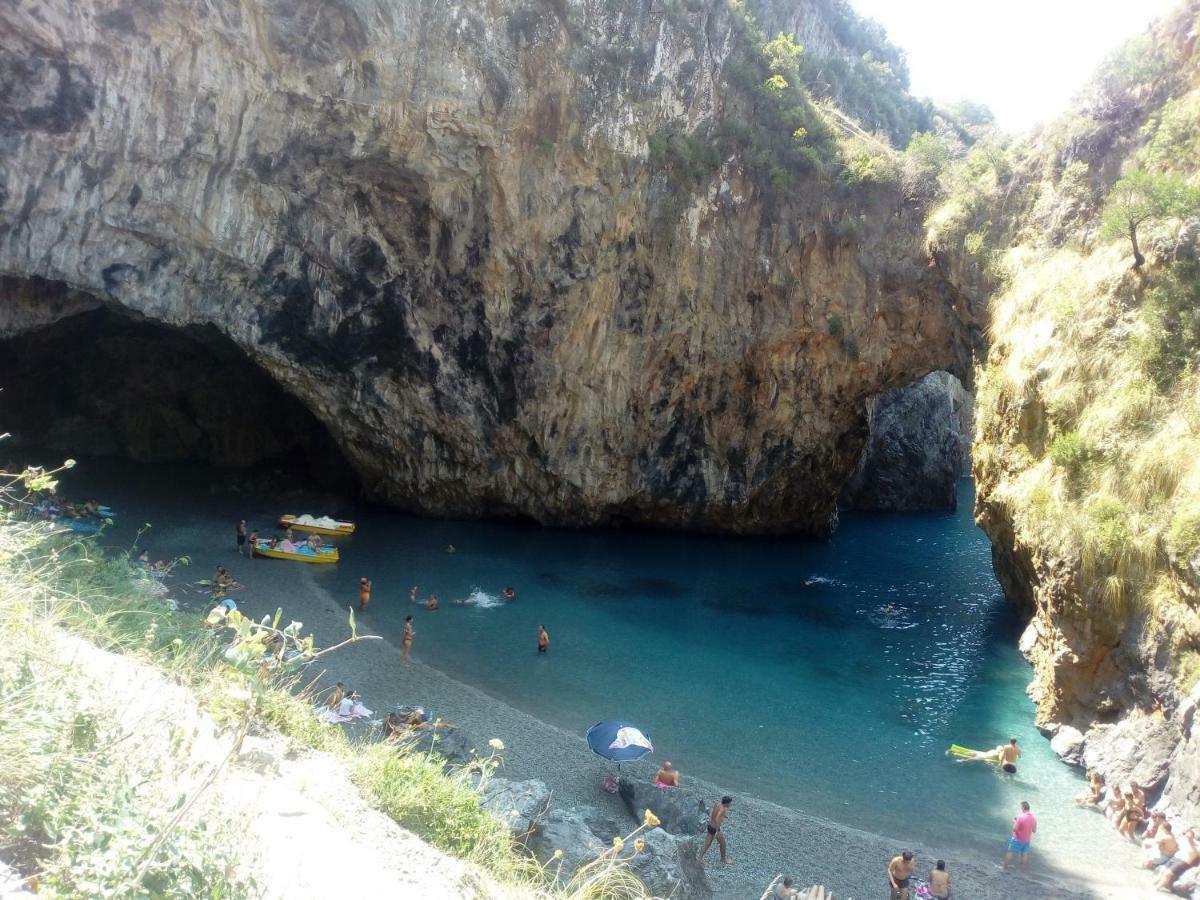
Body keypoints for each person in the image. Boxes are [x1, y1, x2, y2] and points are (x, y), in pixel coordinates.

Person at [698, 796, 732, 865]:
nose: (730, 805)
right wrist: (717, 830)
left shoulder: (717, 803)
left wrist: (724, 816)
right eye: (730, 803)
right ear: (727, 803)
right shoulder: (723, 809)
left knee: (708, 844)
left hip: (710, 825)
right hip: (715, 829)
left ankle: (700, 858)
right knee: (722, 843)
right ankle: (723, 859)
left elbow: (715, 812)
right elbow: (717, 818)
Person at [1003, 801, 1037, 869]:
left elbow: (1015, 829)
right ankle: (1021, 870)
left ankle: (1004, 867)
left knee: (1010, 852)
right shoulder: (1034, 817)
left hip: (1017, 839)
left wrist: (1014, 822)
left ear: (1022, 808)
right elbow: (1034, 830)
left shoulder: (1020, 817)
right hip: (1027, 840)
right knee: (1024, 854)